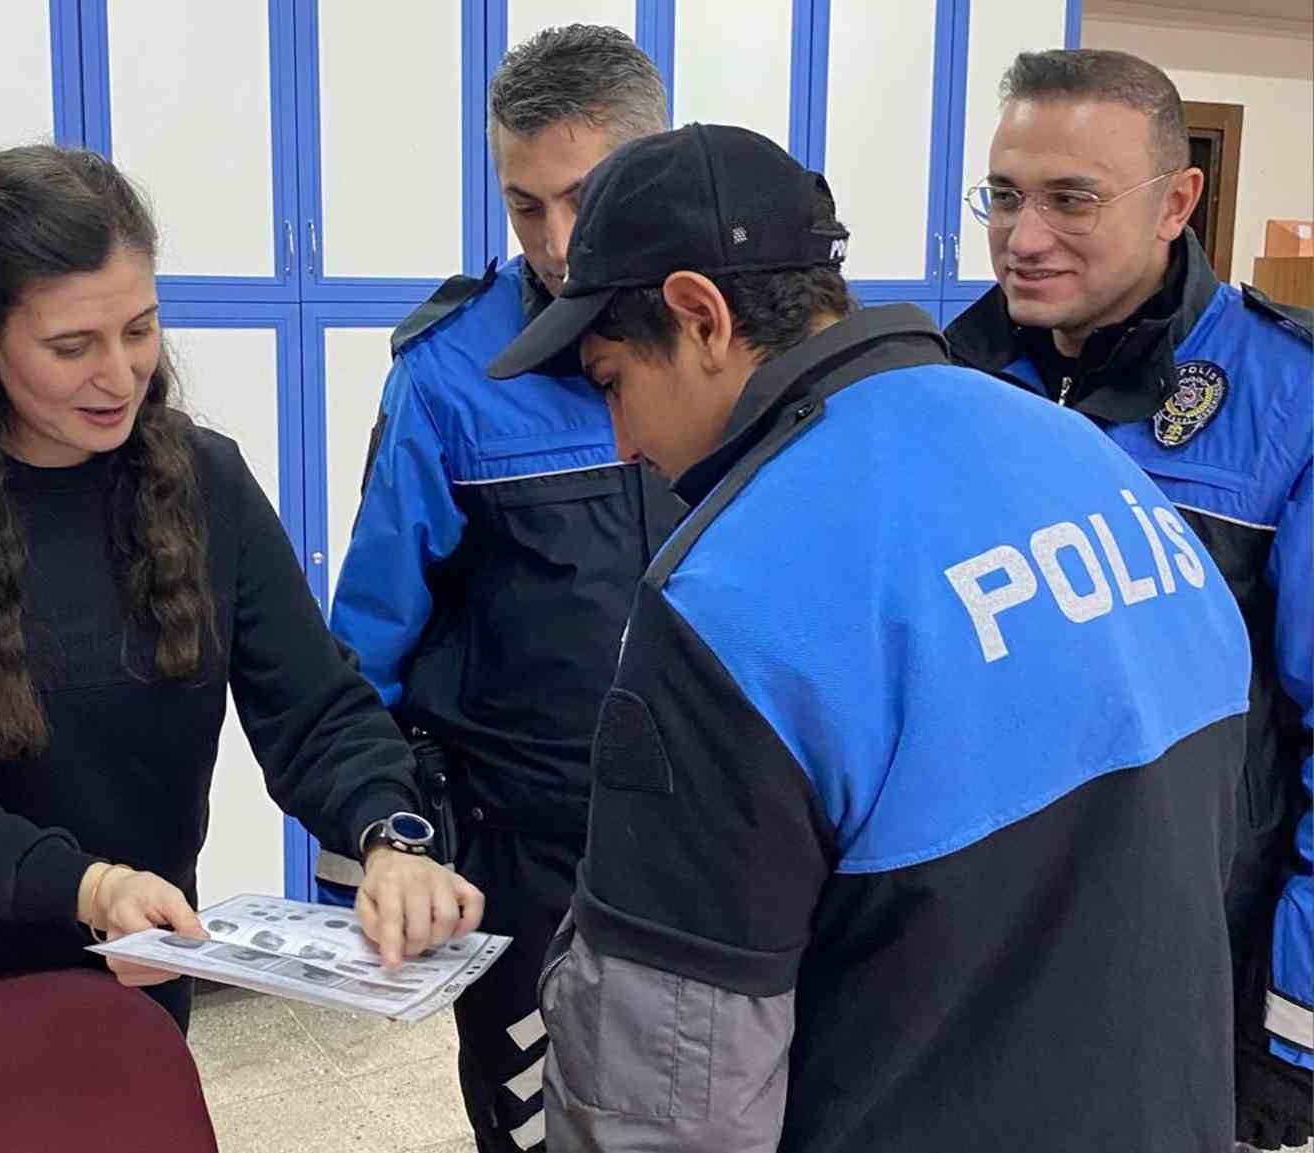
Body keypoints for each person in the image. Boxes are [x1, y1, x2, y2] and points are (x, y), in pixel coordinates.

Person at [489, 122, 1253, 1152]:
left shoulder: (733, 592)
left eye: (613, 379)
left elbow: (669, 1100)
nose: (622, 443)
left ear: (700, 317)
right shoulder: (1083, 459)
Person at [0, 144, 482, 1036]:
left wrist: (391, 838)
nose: (119, 376)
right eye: (70, 346)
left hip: (130, 965)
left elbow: (313, 705)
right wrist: (88, 885)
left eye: (139, 329)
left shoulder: (204, 480)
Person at [316, 24, 679, 1153]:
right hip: (528, 864)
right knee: (538, 1133)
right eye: (526, 206)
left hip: (714, 843)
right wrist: (379, 862)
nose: (559, 241)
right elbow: (362, 646)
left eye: (585, 195)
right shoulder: (447, 379)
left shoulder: (728, 347)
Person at [944, 49, 1312, 1150]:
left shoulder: (1286, 401)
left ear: (1177, 201)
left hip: (1186, 968)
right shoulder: (937, 381)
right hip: (965, 956)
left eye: (1071, 198)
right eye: (1004, 195)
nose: (1024, 235)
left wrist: (1288, 1030)